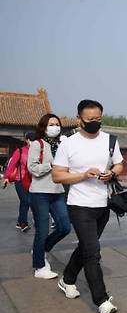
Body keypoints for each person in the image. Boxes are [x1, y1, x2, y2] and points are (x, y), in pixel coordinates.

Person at [52, 100, 124, 313]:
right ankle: (102, 301)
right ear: (79, 119)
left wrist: (112, 172)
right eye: (90, 119)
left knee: (86, 247)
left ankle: (67, 279)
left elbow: (119, 163)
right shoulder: (68, 144)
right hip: (79, 205)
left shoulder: (110, 140)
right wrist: (82, 175)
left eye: (98, 119)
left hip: (103, 204)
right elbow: (57, 175)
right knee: (93, 253)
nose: (95, 122)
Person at [28, 114, 71, 279]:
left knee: (64, 227)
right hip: (40, 192)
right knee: (42, 230)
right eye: (51, 124)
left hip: (57, 191)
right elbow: (33, 168)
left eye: (57, 124)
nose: (55, 127)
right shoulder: (37, 144)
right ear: (43, 127)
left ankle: (41, 249)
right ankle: (39, 267)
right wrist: (51, 164)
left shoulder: (62, 144)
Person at [4, 132, 35, 232]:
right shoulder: (20, 151)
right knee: (26, 201)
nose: (33, 141)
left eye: (34, 139)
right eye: (31, 139)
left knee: (26, 202)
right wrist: (6, 177)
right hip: (20, 180)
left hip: (33, 181)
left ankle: (19, 221)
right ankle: (23, 223)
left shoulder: (38, 152)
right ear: (26, 140)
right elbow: (11, 165)